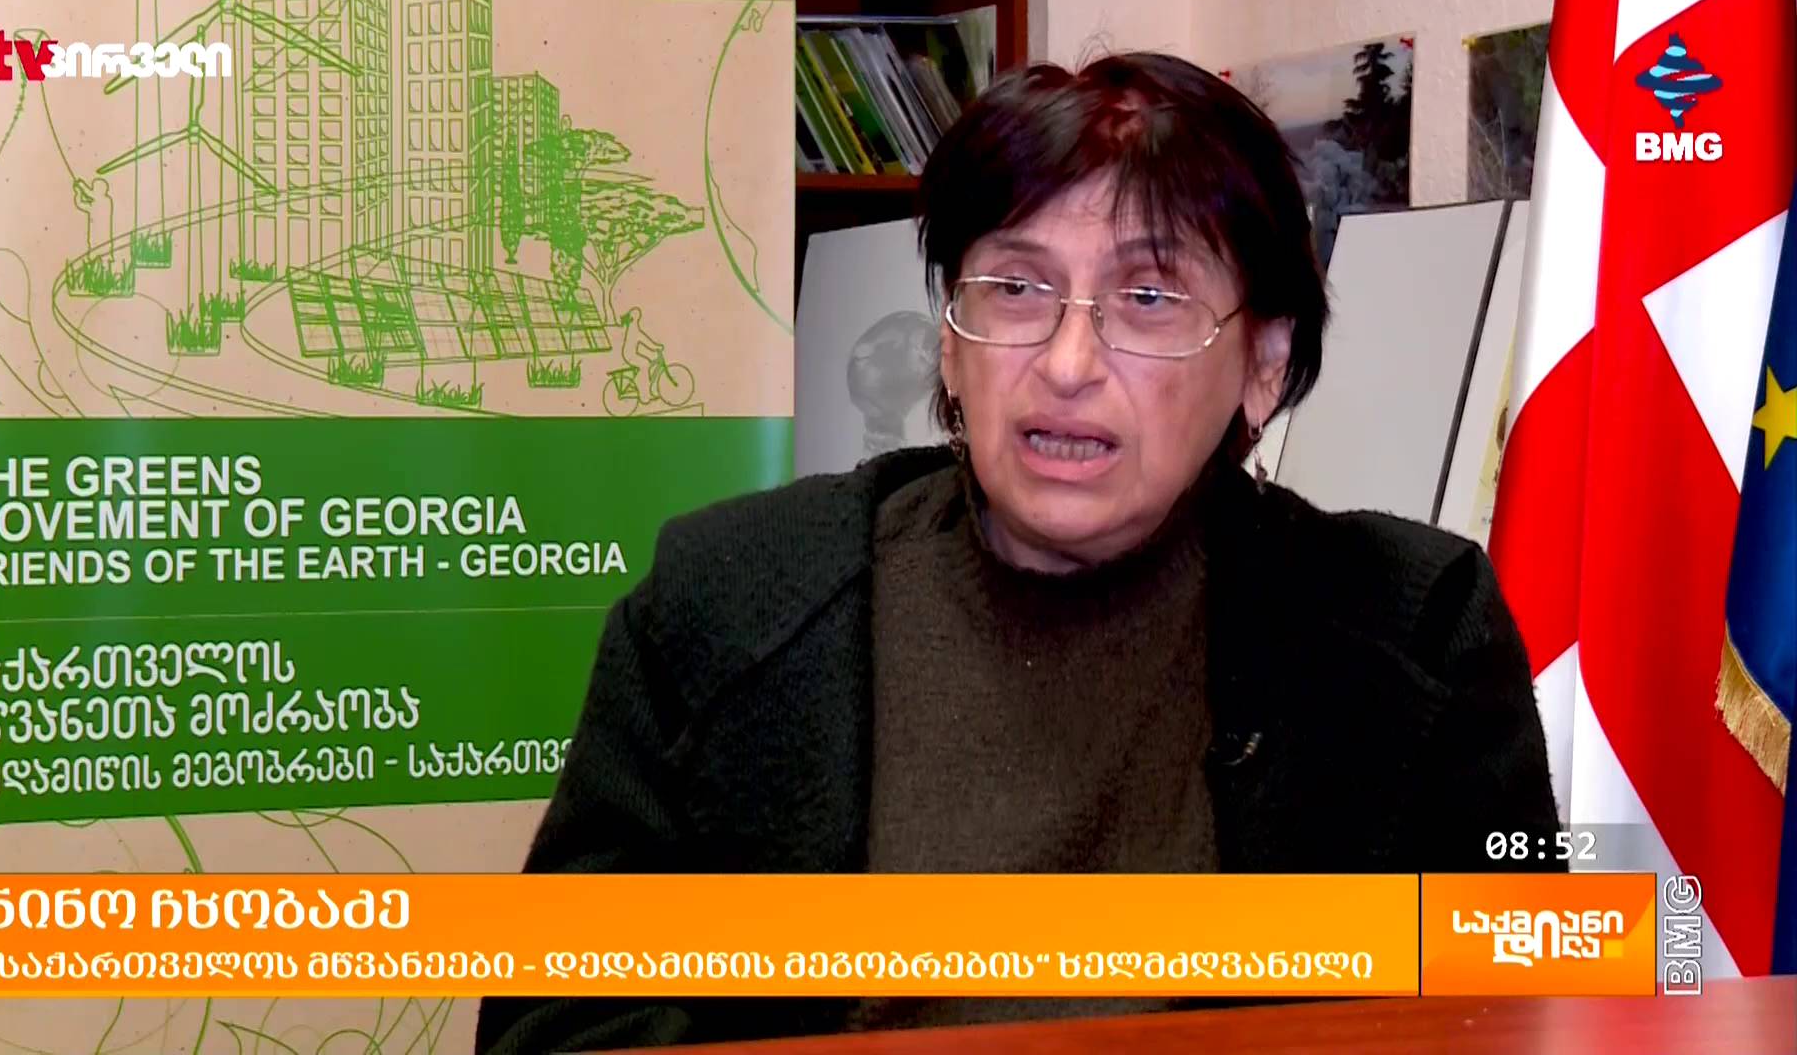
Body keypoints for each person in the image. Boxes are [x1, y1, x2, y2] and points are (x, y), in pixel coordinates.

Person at [476, 53, 1561, 1054]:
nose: (1068, 362)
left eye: (1148, 298)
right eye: (1015, 289)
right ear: (950, 344)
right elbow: (556, 1019)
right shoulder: (729, 601)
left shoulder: (1408, 632)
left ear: (1263, 364)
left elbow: (1511, 1011)